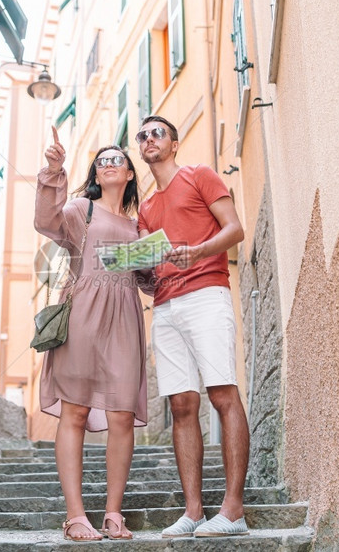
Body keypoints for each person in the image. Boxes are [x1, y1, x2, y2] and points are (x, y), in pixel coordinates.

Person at [135, 115, 250, 538]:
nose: (148, 139)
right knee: (182, 406)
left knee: (222, 392)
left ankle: (233, 511)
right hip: (165, 307)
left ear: (174, 143)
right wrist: (133, 269)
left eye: (157, 133)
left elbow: (235, 229)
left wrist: (197, 252)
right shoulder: (146, 208)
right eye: (142, 135)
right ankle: (194, 512)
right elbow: (151, 271)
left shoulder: (199, 174)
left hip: (206, 295)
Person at [34, 127, 148, 541]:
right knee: (76, 411)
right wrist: (53, 171)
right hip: (82, 310)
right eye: (101, 161)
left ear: (131, 173)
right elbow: (47, 221)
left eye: (116, 158)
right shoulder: (82, 209)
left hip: (125, 316)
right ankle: (75, 516)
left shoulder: (139, 226)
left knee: (121, 415)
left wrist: (160, 258)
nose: (107, 164)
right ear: (96, 176)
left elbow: (147, 281)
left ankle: (114, 515)